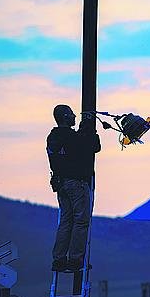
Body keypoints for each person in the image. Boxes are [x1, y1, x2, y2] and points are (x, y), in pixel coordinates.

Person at [47, 104, 100, 272]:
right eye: (71, 114)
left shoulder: (53, 137)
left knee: (66, 221)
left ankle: (59, 259)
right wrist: (89, 128)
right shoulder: (70, 137)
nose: (74, 117)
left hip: (61, 184)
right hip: (76, 184)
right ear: (64, 117)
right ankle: (76, 260)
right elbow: (93, 146)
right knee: (81, 221)